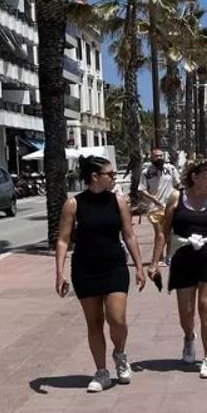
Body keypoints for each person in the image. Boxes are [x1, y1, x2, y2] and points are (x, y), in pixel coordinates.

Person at [55, 156, 147, 392]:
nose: (114, 178)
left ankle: (120, 353)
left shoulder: (118, 200)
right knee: (94, 323)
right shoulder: (73, 204)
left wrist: (139, 266)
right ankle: (101, 372)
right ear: (95, 177)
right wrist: (59, 272)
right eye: (110, 174)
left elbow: (129, 235)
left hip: (114, 266)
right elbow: (63, 240)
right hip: (85, 269)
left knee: (117, 320)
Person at [159, 158, 207, 379]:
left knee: (206, 306)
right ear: (194, 177)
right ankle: (188, 337)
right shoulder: (177, 198)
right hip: (183, 255)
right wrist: (155, 260)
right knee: (186, 312)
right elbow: (163, 231)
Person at [139, 148, 178, 272]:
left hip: (170, 206)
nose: (159, 157)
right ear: (152, 157)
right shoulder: (146, 172)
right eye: (156, 156)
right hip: (154, 208)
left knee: (170, 233)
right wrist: (152, 198)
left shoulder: (171, 169)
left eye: (161, 155)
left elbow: (177, 184)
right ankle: (159, 257)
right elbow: (142, 189)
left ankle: (169, 256)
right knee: (160, 233)